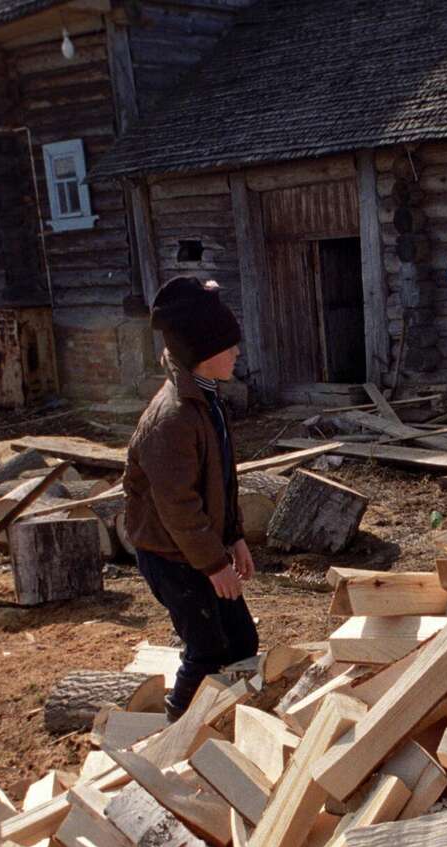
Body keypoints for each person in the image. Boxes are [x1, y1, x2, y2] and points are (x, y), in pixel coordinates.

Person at [121, 276, 259, 719]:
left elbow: (220, 480)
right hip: (170, 556)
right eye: (228, 346)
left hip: (198, 548)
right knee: (208, 649)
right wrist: (215, 565)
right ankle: (177, 729)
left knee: (242, 642)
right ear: (202, 353)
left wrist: (234, 537)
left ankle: (231, 719)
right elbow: (178, 506)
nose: (237, 352)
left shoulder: (206, 400)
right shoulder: (173, 418)